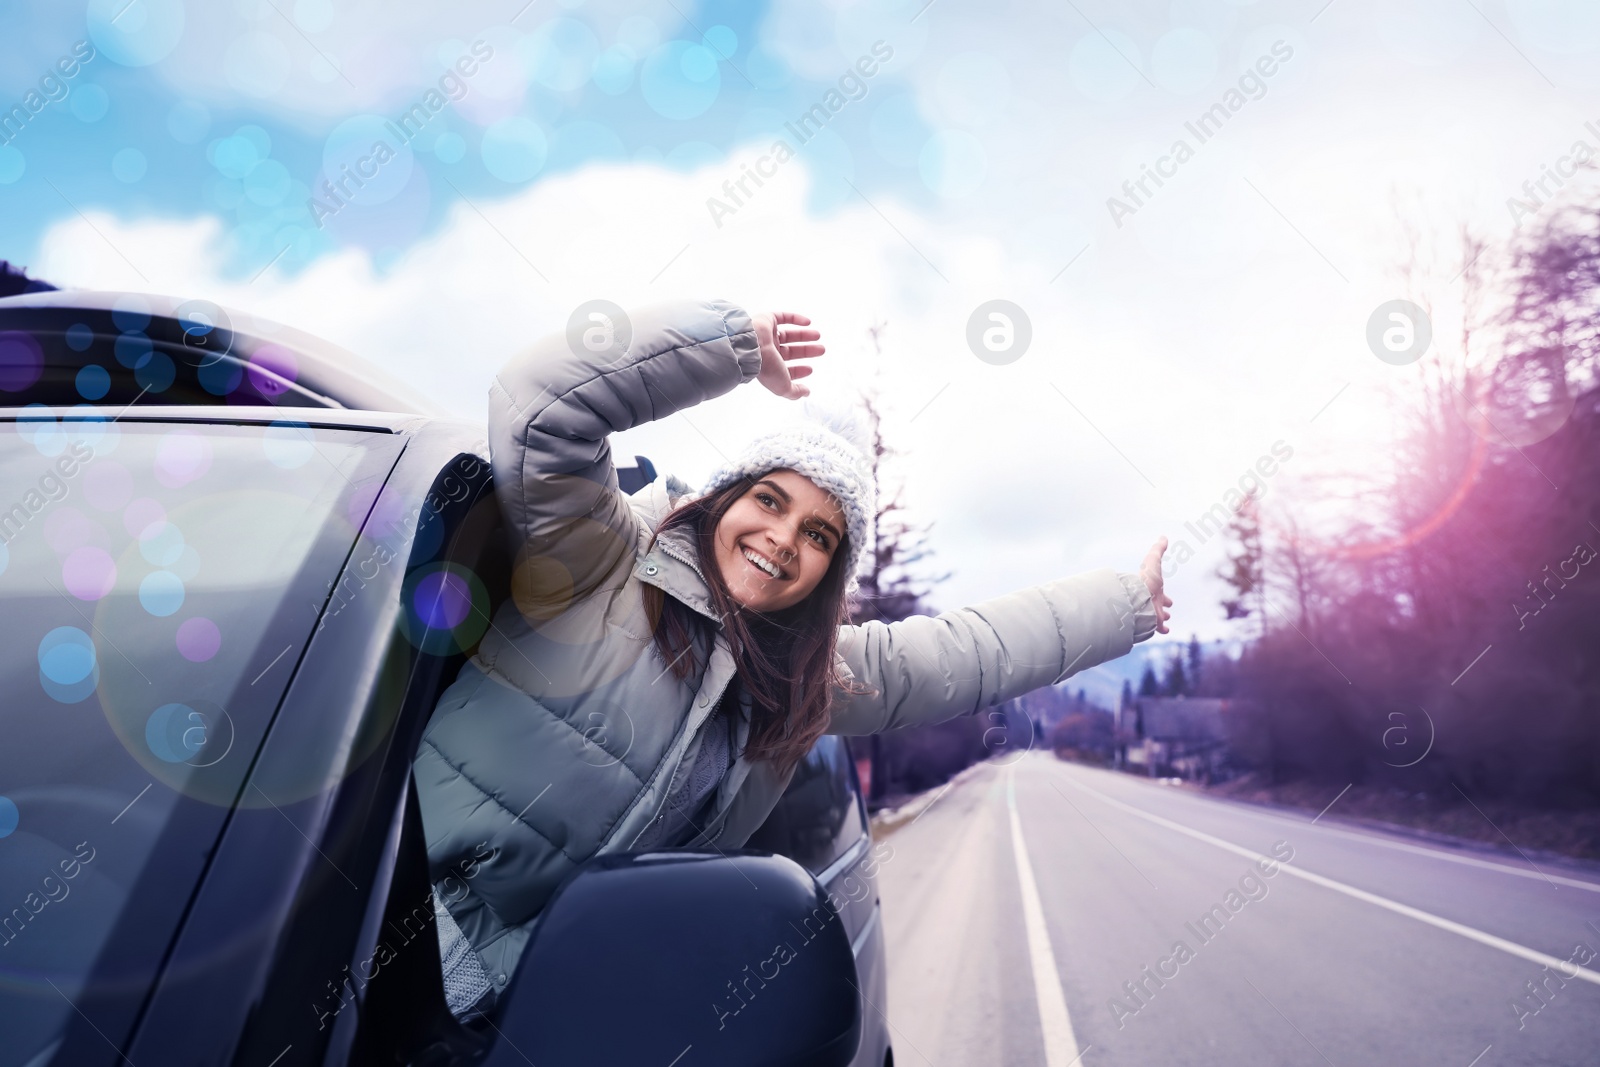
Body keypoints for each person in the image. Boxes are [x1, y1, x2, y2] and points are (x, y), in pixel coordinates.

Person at [412, 299, 1174, 1019]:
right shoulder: (600, 560)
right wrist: (732, 344)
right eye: (770, 500)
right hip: (379, 945)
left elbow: (969, 652)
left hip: (532, 1013)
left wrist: (1127, 605)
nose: (783, 538)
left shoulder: (805, 683)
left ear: (829, 573)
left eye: (819, 534)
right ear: (722, 497)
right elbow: (538, 404)